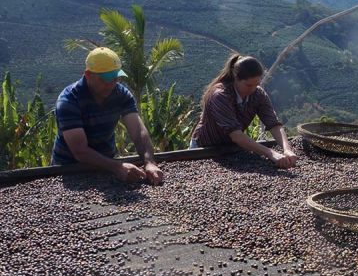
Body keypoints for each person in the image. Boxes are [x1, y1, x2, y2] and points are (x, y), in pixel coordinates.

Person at [51, 47, 164, 185]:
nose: (111, 84)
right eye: (104, 80)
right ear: (88, 75)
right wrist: (117, 167)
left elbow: (138, 132)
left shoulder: (121, 94)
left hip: (107, 165)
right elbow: (79, 150)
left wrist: (149, 162)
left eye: (115, 78)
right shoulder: (69, 100)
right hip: (69, 168)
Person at [191, 54, 298, 169]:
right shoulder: (220, 96)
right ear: (236, 78)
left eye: (256, 84)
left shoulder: (258, 94)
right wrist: (272, 153)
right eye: (248, 85)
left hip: (231, 148)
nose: (252, 89)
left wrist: (287, 149)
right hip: (205, 147)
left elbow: (273, 124)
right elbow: (236, 135)